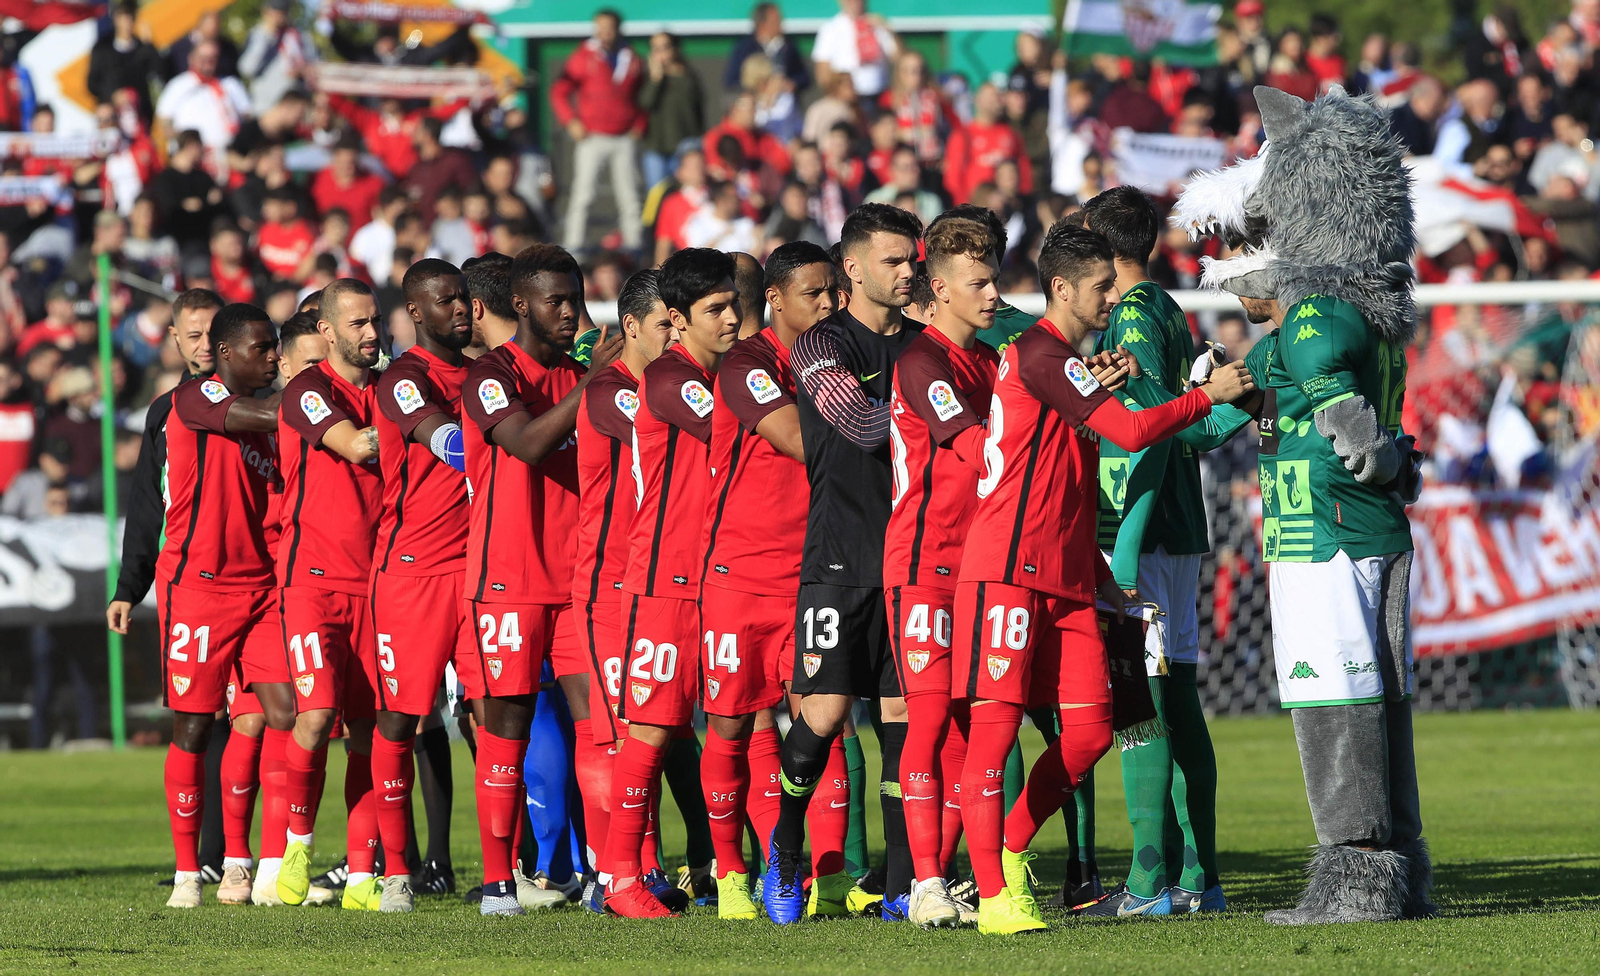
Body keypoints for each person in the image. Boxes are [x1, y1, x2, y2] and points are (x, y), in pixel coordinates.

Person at [952, 223, 1251, 935]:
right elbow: (1133, 431)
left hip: (1066, 577)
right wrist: (1210, 396)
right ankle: (995, 893)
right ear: (1062, 289)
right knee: (993, 734)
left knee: (1092, 733)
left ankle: (1009, 847)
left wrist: (1101, 578)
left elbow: (1072, 481)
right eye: (1101, 288)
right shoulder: (1040, 354)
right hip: (1007, 573)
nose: (1113, 297)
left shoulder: (1068, 365)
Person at [1077, 186, 1252, 917]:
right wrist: (1223, 412)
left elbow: (1149, 425)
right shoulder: (1168, 311)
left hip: (1140, 535)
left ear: (1100, 245)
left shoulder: (1131, 316)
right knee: (1176, 701)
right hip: (1177, 529)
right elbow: (1186, 419)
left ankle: (1150, 882)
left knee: (1138, 709)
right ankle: (1199, 879)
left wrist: (1125, 554)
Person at [765, 203, 923, 924]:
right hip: (839, 557)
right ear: (854, 269)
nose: (909, 270)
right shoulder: (822, 345)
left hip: (913, 561)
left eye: (913, 259)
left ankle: (900, 885)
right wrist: (938, 407)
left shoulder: (928, 348)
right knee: (824, 715)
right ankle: (787, 850)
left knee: (903, 719)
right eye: (893, 260)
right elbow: (857, 423)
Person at [460, 244, 623, 916]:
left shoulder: (582, 373)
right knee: (509, 724)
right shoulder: (491, 376)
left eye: (575, 299)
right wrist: (593, 384)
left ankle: (608, 876)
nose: (569, 313)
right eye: (556, 301)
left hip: (580, 583)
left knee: (600, 727)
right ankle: (502, 880)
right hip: (510, 579)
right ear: (519, 303)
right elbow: (526, 445)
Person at [596, 248, 736, 920]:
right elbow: (749, 437)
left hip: (723, 576)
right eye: (717, 308)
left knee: (748, 719)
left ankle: (742, 874)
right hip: (664, 582)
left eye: (736, 303)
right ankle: (619, 878)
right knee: (649, 731)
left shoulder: (726, 375)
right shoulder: (671, 379)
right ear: (676, 322)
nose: (734, 318)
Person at [696, 242, 834, 918]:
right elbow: (803, 442)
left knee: (822, 719)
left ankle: (811, 868)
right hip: (740, 575)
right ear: (776, 299)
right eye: (815, 293)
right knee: (728, 726)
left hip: (815, 574)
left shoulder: (838, 360)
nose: (830, 305)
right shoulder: (749, 365)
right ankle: (728, 874)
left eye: (834, 292)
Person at [882, 214, 1003, 928]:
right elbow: (972, 445)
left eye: (993, 280)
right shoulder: (921, 361)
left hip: (979, 567)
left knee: (968, 727)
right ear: (941, 291)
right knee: (927, 721)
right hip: (923, 565)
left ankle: (944, 875)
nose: (991, 295)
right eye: (978, 283)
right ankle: (924, 880)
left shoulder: (990, 363)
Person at [152, 303, 283, 909]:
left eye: (277, 347)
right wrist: (325, 401)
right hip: (198, 585)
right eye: (263, 349)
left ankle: (241, 859)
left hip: (262, 587)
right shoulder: (195, 400)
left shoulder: (268, 416)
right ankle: (186, 872)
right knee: (195, 724)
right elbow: (267, 413)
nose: (274, 358)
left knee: (269, 715)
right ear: (227, 354)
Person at [366, 259, 478, 913]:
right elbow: (453, 446)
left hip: (483, 566)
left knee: (493, 714)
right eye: (446, 300)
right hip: (413, 570)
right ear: (416, 311)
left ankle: (508, 869)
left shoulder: (487, 370)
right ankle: (396, 873)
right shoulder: (405, 379)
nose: (459, 308)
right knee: (402, 717)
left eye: (463, 297)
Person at [271, 279, 385, 912]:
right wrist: (424, 431)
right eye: (359, 324)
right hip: (313, 581)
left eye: (376, 322)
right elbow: (358, 445)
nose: (371, 334)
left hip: (380, 582)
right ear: (331, 328)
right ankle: (296, 846)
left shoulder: (394, 390)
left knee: (371, 729)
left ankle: (364, 874)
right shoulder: (307, 390)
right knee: (315, 718)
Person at [571, 269, 674, 907]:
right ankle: (614, 877)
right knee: (616, 734)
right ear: (631, 326)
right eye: (665, 322)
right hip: (609, 588)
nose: (674, 334)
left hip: (656, 583)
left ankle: (641, 868)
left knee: (652, 729)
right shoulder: (615, 393)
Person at [551, 9, 646, 252]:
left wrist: (639, 125)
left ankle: (633, 246)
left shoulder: (631, 57)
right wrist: (570, 121)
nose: (605, 33)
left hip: (624, 137)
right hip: (592, 137)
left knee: (630, 197)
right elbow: (559, 90)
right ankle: (574, 247)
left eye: (609, 28)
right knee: (583, 195)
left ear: (618, 29)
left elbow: (643, 97)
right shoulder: (583, 56)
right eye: (600, 28)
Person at [154, 40, 252, 178]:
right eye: (203, 58)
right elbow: (162, 124)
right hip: (199, 160)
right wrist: (188, 143)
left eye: (213, 58)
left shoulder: (231, 84)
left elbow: (248, 117)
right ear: (192, 58)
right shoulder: (178, 86)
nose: (208, 62)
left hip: (234, 155)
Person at [945, 83, 1033, 206]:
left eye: (998, 96)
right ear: (977, 100)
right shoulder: (963, 135)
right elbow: (953, 177)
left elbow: (1023, 167)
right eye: (990, 96)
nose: (996, 100)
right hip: (975, 207)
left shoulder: (1010, 133)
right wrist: (964, 208)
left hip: (1006, 207)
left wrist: (1022, 200)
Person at [640, 32, 706, 194]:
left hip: (685, 146)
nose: (661, 53)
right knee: (656, 195)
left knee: (685, 193)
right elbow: (645, 103)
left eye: (665, 47)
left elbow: (698, 110)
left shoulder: (688, 76)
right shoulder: (649, 78)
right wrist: (656, 79)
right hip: (656, 148)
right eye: (656, 49)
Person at [238, 0, 315, 116]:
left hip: (295, 110)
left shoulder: (300, 36)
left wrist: (303, 70)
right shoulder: (257, 34)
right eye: (276, 10)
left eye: (283, 11)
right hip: (265, 109)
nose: (279, 16)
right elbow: (247, 69)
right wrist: (268, 34)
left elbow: (315, 66)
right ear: (265, 11)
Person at [87, 1, 162, 116]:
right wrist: (113, 96)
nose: (127, 23)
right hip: (112, 115)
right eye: (122, 17)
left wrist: (150, 46)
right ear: (115, 19)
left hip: (140, 115)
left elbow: (158, 72)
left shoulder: (142, 48)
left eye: (130, 17)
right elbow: (92, 83)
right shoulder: (102, 48)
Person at [811, 0, 896, 99]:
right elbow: (822, 74)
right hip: (847, 98)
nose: (854, 2)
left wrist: (887, 29)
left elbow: (899, 59)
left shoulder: (878, 24)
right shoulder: (830, 28)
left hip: (880, 94)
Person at [726, 2, 810, 92]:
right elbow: (731, 81)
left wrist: (792, 83)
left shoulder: (789, 46)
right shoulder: (744, 48)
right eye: (776, 20)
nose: (780, 24)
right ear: (761, 24)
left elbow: (804, 76)